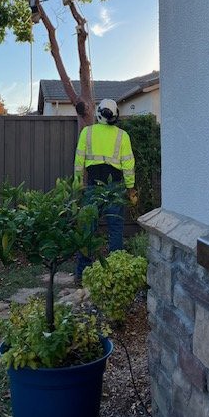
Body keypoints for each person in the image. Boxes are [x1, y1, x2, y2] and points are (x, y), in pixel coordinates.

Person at [74, 98, 137, 281]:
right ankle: (116, 271)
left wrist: (78, 185)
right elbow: (128, 165)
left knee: (88, 228)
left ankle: (83, 272)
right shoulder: (122, 136)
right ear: (115, 116)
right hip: (116, 187)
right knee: (116, 229)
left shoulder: (87, 133)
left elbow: (79, 162)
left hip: (93, 186)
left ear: (98, 113)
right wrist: (131, 188)